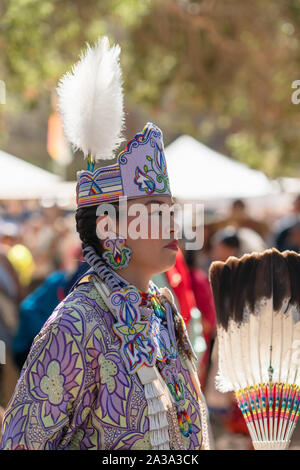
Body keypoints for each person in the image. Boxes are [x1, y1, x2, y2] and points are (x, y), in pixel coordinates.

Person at [0, 37, 210, 450]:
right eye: (153, 209)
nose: (173, 222)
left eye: (171, 208)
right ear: (112, 228)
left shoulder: (165, 311)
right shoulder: (74, 326)